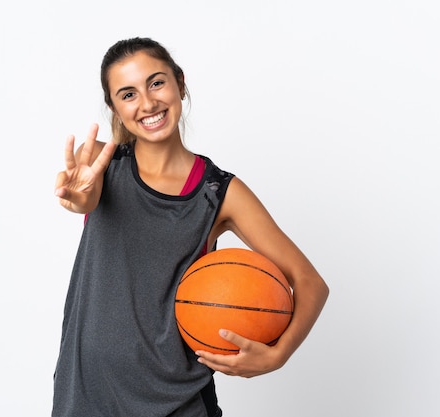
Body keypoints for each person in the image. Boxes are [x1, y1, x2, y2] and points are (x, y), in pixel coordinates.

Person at [52, 37, 329, 417]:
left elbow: (311, 281)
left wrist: (277, 356)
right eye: (128, 94)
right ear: (114, 106)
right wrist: (77, 199)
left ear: (179, 83)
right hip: (85, 395)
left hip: (178, 403)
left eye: (156, 82)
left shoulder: (219, 192)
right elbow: (84, 196)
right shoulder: (101, 164)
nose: (148, 103)